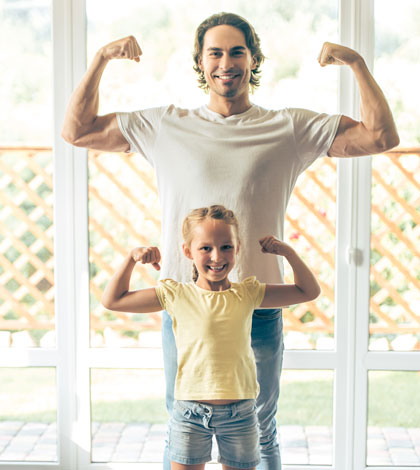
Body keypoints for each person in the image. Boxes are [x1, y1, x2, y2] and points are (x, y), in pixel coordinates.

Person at [61, 12, 399, 470]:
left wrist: (356, 63)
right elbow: (77, 131)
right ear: (200, 62)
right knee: (182, 426)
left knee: (262, 428)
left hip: (256, 307)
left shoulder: (288, 127)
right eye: (215, 53)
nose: (226, 62)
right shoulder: (164, 125)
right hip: (185, 307)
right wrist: (101, 58)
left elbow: (380, 136)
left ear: (253, 59)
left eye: (237, 51)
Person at [101, 205, 321, 470]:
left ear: (237, 248)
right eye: (205, 248)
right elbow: (113, 300)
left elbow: (308, 291)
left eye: (226, 247)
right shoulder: (175, 294)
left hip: (240, 415)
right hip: (189, 415)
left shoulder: (248, 293)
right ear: (187, 251)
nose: (217, 256)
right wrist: (131, 258)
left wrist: (288, 252)